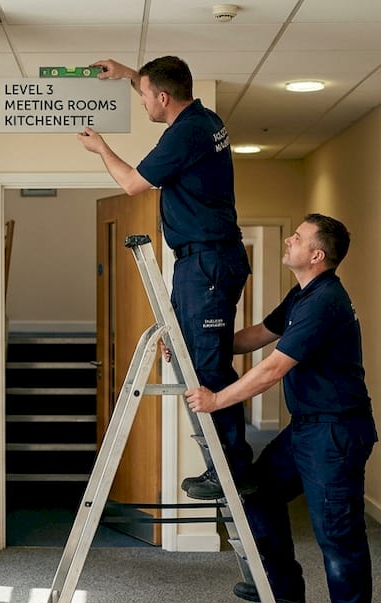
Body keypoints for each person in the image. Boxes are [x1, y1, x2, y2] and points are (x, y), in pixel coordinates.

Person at [184, 213, 379, 603]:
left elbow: (272, 369)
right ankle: (285, 582)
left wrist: (216, 400)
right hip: (309, 426)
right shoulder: (302, 293)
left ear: (316, 255)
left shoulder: (325, 301)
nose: (289, 240)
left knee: (338, 535)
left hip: (336, 431)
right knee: (257, 488)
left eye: (298, 237)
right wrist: (200, 346)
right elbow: (258, 336)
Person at [78, 55, 251, 500]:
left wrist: (102, 149)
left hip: (206, 264)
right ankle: (225, 461)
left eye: (144, 96)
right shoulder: (203, 118)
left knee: (207, 367)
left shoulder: (185, 134)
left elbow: (133, 184)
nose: (143, 105)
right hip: (205, 261)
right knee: (193, 359)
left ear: (163, 97)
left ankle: (229, 467)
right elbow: (160, 90)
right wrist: (129, 74)